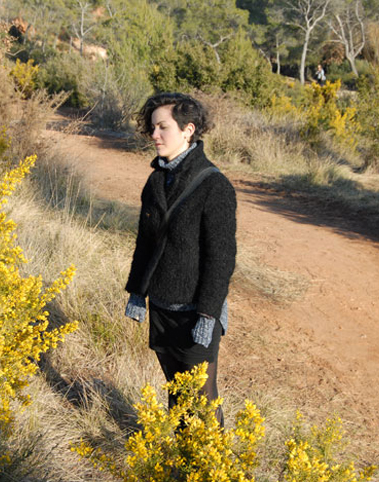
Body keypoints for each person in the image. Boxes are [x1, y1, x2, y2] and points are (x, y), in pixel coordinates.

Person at [124, 93, 236, 426]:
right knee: (176, 395)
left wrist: (208, 314)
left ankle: (213, 458)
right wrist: (137, 292)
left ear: (188, 130)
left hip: (196, 312)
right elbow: (146, 242)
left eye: (163, 127)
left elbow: (221, 258)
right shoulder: (156, 180)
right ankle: (184, 454)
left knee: (203, 400)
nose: (154, 135)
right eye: (152, 128)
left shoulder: (214, 186)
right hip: (162, 306)